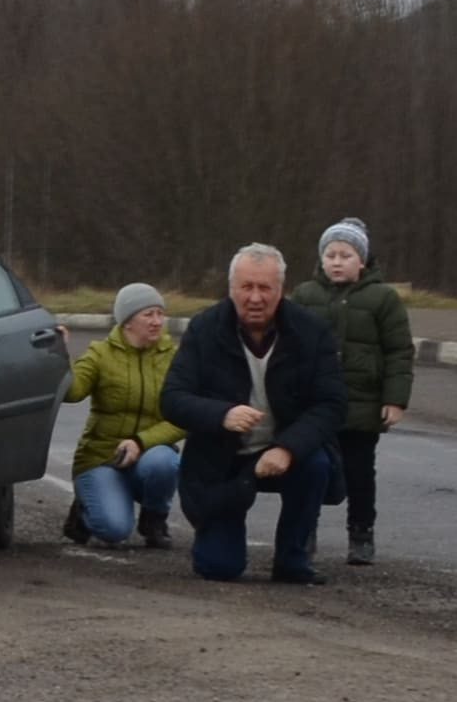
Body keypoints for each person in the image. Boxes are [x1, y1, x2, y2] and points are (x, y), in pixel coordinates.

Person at [155, 244, 346, 584]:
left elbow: (331, 404)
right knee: (219, 568)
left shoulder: (311, 332)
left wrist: (287, 447)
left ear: (280, 290)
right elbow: (172, 398)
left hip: (284, 452)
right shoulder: (204, 329)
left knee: (316, 463)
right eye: (246, 287)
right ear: (231, 289)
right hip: (222, 461)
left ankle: (293, 556)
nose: (255, 298)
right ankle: (217, 535)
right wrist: (221, 415)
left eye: (264, 288)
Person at [288, 219, 414, 566]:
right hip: (312, 408)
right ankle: (303, 532)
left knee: (359, 474)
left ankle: (361, 534)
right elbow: (288, 348)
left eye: (346, 254)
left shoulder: (383, 299)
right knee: (309, 470)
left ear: (362, 260)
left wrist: (395, 398)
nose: (337, 261)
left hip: (361, 407)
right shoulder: (304, 296)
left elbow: (399, 351)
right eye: (330, 254)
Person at [62, 283, 185, 549]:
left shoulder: (174, 358)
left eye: (160, 314)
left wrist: (140, 442)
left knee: (165, 463)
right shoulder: (99, 354)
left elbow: (183, 416)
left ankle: (154, 519)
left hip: (148, 454)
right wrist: (59, 355)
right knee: (114, 530)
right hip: (102, 458)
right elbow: (72, 393)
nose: (157, 322)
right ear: (128, 321)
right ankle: (86, 510)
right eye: (148, 315)